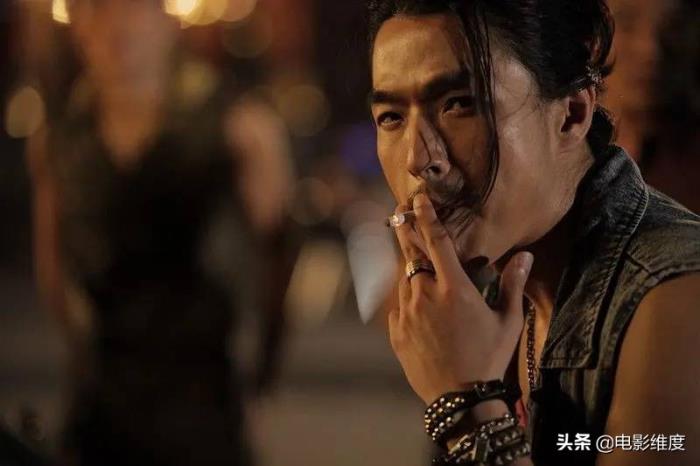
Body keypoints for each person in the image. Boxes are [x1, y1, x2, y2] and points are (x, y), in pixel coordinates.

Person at [366, 1, 700, 465]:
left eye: (459, 104)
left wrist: (467, 404)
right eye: (391, 117)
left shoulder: (672, 299)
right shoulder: (503, 295)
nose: (417, 159)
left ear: (572, 113)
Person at [26, 1, 294, 465]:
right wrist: (81, 350)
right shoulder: (60, 139)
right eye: (99, 12)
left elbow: (279, 253)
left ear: (166, 21)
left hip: (203, 393)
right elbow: (52, 267)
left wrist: (264, 370)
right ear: (80, 27)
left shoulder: (238, 127)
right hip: (102, 396)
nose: (118, 29)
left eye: (134, 10)